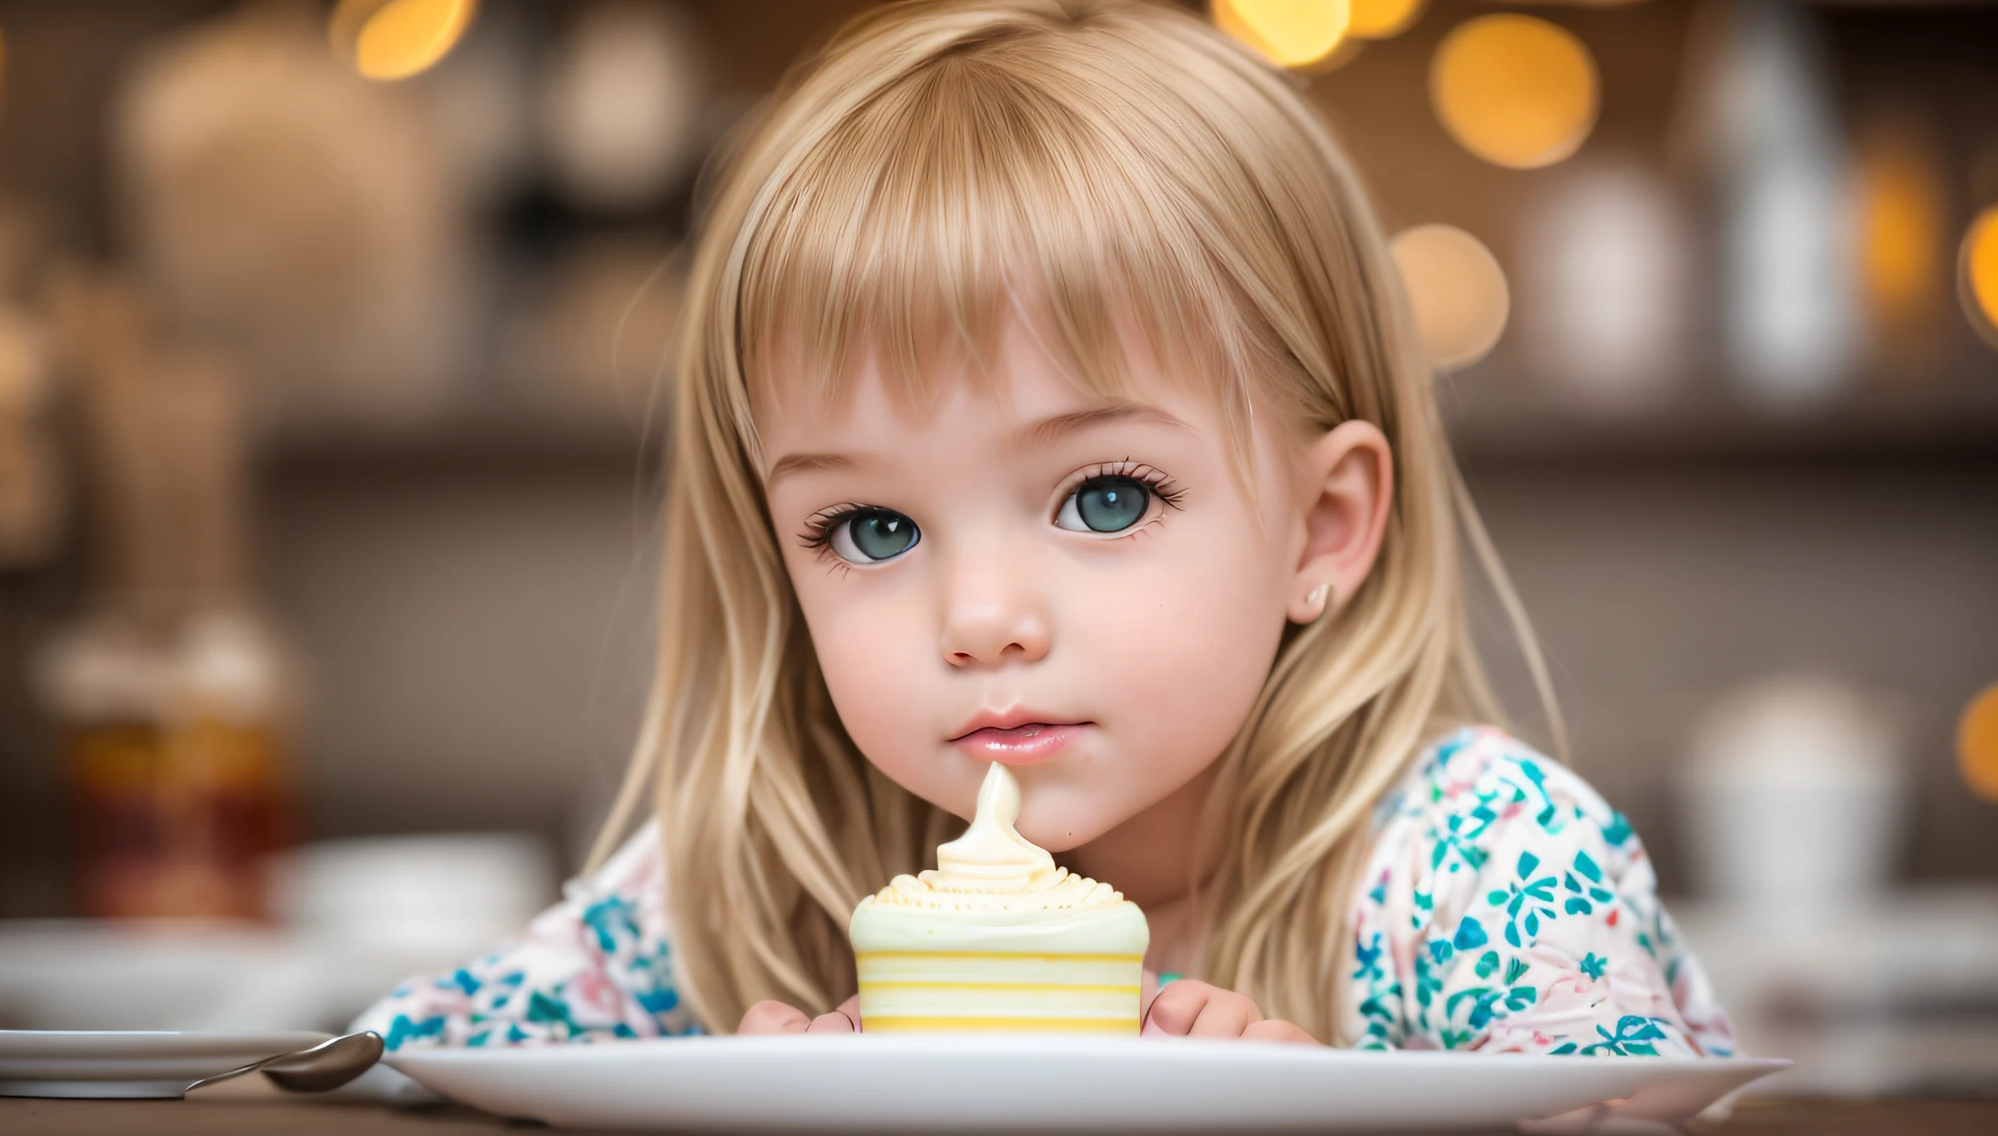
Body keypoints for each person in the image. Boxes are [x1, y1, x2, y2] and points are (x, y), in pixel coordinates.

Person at [355, 0, 1733, 1057]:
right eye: (874, 527)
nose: (978, 620)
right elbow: (394, 1061)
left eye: (1107, 498)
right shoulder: (763, 872)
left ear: (1323, 527)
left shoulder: (1480, 859)